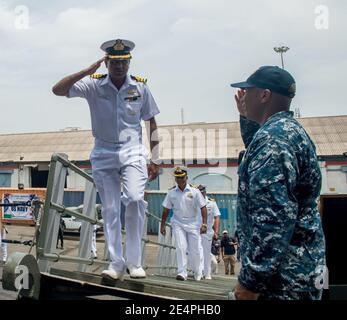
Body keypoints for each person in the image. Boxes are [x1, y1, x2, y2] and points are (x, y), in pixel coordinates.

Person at [52, 38, 160, 280]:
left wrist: (155, 158)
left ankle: (134, 262)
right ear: (106, 63)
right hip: (103, 151)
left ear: (129, 62)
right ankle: (116, 263)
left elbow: (151, 122)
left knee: (133, 199)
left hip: (133, 149)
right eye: (114, 62)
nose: (119, 66)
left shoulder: (140, 88)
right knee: (110, 208)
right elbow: (57, 90)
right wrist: (87, 71)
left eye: (123, 62)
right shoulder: (93, 85)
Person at [230, 66, 326, 300]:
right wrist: (247, 119)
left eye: (250, 91)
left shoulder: (273, 140)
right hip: (299, 270)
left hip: (281, 281)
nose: (244, 96)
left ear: (264, 95)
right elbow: (259, 153)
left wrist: (250, 282)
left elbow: (273, 219)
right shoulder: (285, 131)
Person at [160, 167, 207, 281]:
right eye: (178, 178)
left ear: (186, 177)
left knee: (194, 250)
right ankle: (182, 272)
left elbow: (203, 207)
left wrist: (204, 224)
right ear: (175, 179)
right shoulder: (171, 192)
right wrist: (162, 224)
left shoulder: (194, 191)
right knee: (181, 247)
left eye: (182, 178)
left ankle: (197, 271)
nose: (180, 180)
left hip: (193, 223)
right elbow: (166, 209)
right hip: (178, 222)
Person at [197, 185, 221, 280]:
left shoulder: (211, 203)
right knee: (197, 251)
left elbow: (217, 216)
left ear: (205, 192)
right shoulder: (194, 202)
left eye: (202, 192)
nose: (201, 194)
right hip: (195, 230)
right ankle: (199, 271)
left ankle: (207, 273)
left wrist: (216, 231)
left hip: (207, 231)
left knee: (206, 253)